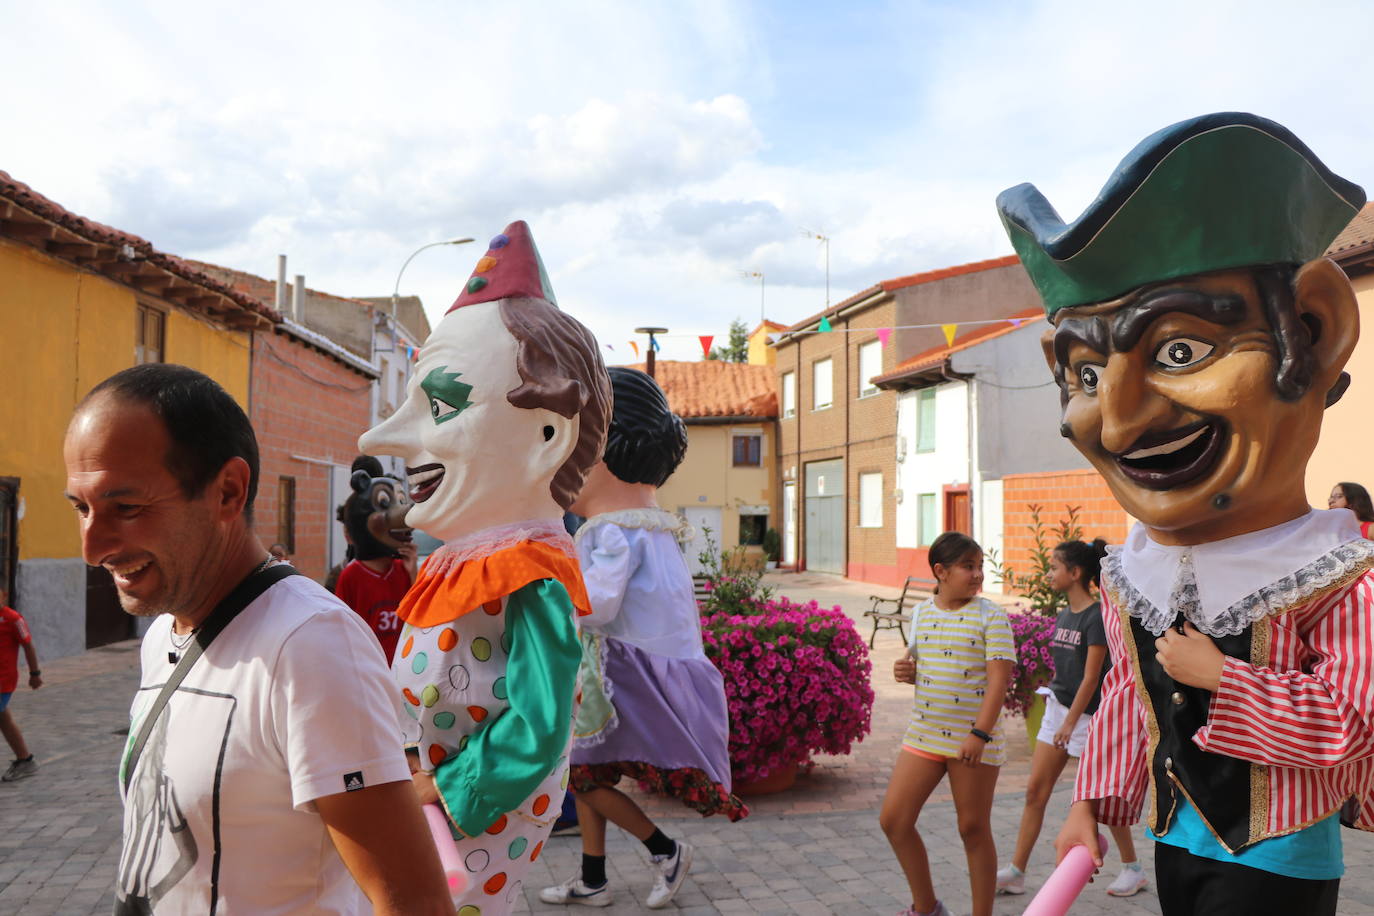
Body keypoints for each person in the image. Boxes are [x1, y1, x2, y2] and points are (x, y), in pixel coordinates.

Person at [997, 112, 1374, 915]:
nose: (1122, 421)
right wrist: (1088, 808)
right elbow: (1133, 704)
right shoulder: (1139, 572)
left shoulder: (1338, 577)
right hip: (1177, 842)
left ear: (1313, 332)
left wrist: (1226, 680)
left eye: (1179, 351)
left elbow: (1350, 728)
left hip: (1281, 858)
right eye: (1088, 374)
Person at [64, 363, 453, 915]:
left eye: (125, 508)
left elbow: (416, 905)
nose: (92, 545)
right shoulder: (163, 636)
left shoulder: (311, 645)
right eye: (81, 508)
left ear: (228, 491)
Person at [359, 220, 611, 916]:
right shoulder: (462, 562)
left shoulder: (528, 573)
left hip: (473, 817)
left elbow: (539, 721)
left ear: (546, 438)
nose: (379, 437)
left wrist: (446, 788)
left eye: (439, 404)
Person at [540, 367, 747, 910]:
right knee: (587, 772)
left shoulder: (608, 530)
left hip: (621, 674)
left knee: (584, 774)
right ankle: (592, 877)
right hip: (643, 666)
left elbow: (597, 605)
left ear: (604, 457)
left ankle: (665, 849)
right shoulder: (651, 523)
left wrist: (549, 594)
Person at [995, 539, 1145, 898]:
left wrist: (1069, 723)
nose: (1049, 574)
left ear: (1075, 573)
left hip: (1086, 717)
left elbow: (1092, 677)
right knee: (1035, 791)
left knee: (1101, 796)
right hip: (1058, 707)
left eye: (1055, 567)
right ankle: (1016, 871)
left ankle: (1132, 868)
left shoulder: (1095, 616)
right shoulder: (1065, 614)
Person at [880, 532, 1014, 916]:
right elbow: (923, 664)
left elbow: (998, 682)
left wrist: (979, 734)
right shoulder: (922, 613)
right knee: (894, 819)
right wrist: (904, 671)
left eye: (979, 567)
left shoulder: (991, 615)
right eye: (967, 567)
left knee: (972, 829)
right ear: (940, 571)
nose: (977, 576)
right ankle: (927, 908)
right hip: (923, 733)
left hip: (973, 740)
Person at [333, 466, 417, 662]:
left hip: (402, 666)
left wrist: (413, 573)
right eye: (386, 503)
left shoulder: (403, 569)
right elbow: (342, 630)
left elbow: (418, 618)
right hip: (370, 669)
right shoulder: (351, 575)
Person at [0, 586, 42, 782]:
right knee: (4, 720)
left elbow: (28, 645)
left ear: (4, 594)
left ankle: (25, 760)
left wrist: (35, 673)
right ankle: (25, 760)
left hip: (3, 682)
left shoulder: (13, 619)